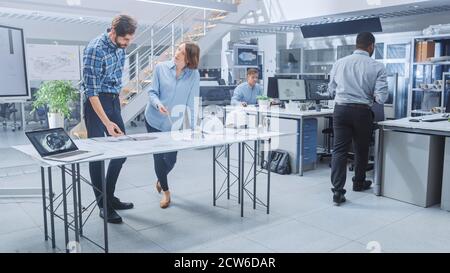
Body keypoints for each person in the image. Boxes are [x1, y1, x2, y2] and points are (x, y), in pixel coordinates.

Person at [83, 14, 137, 223]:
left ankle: (109, 197)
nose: (127, 43)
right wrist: (107, 122)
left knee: (121, 152)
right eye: (125, 39)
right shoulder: (95, 49)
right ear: (113, 32)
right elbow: (91, 91)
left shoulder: (121, 48)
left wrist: (117, 103)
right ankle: (103, 205)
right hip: (95, 103)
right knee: (97, 155)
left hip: (113, 101)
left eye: (130, 39)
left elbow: (115, 79)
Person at [328, 32, 388, 205]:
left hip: (340, 110)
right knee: (361, 149)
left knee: (339, 150)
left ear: (356, 44)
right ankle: (359, 183)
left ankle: (338, 192)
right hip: (362, 111)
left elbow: (331, 90)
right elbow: (381, 98)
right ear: (371, 46)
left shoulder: (339, 63)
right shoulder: (377, 66)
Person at [144, 42, 200, 209]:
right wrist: (157, 104)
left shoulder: (193, 75)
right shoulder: (160, 68)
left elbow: (192, 101)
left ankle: (160, 178)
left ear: (189, 59)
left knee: (171, 160)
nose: (176, 54)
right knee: (158, 157)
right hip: (153, 119)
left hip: (174, 124)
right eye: (177, 49)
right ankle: (166, 192)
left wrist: (192, 126)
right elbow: (152, 92)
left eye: (182, 53)